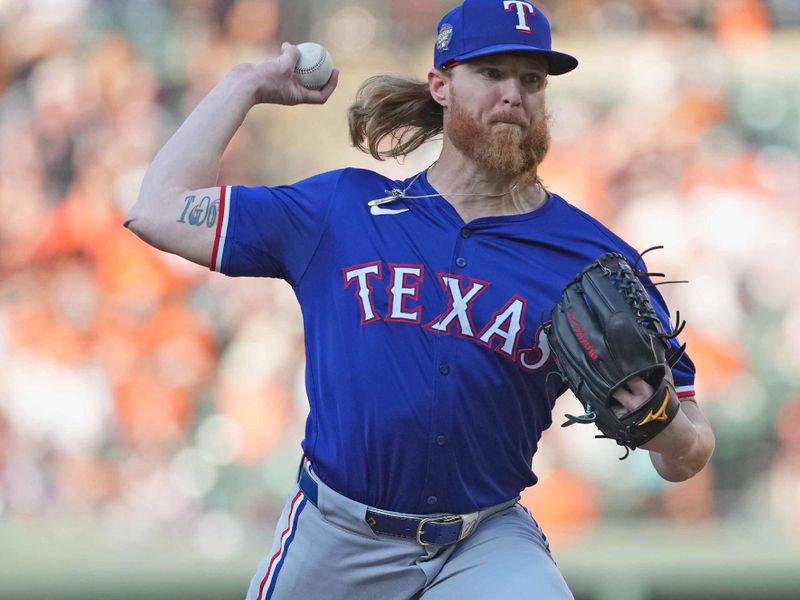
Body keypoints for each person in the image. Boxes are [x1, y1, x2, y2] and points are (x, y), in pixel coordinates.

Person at [125, 1, 715, 598]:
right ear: (440, 85)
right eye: (490, 72)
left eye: (531, 79)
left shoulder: (595, 260)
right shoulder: (343, 210)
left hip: (483, 542)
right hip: (337, 533)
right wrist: (243, 83)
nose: (513, 93)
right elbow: (157, 210)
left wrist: (661, 421)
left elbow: (688, 453)